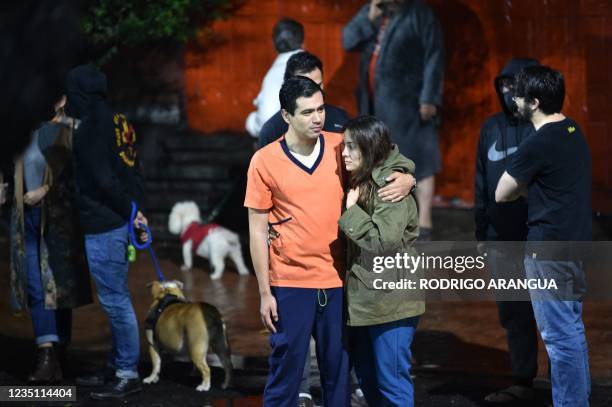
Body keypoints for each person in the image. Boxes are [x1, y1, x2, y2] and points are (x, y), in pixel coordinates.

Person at [245, 76, 414, 407]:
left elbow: (385, 155)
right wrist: (265, 293)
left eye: (321, 109)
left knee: (339, 375)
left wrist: (409, 177)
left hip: (339, 282)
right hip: (290, 283)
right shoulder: (264, 161)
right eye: (307, 112)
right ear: (286, 116)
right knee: (285, 375)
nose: (318, 118)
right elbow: (256, 230)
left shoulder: (342, 146)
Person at [496, 65, 591, 407]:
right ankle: (578, 399)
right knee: (573, 330)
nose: (512, 99)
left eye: (518, 95)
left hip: (547, 252)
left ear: (533, 102)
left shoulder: (537, 144)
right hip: (575, 245)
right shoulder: (571, 129)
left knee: (558, 337)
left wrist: (525, 191)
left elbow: (501, 192)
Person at [65, 64, 149, 400]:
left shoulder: (90, 129)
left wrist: (130, 211)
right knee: (116, 297)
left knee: (115, 300)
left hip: (105, 222)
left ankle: (127, 371)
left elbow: (103, 180)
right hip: (120, 219)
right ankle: (116, 364)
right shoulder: (120, 121)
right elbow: (133, 170)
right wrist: (136, 209)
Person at [339, 115, 424, 406]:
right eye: (343, 146)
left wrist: (351, 211)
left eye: (351, 147)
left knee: (392, 381)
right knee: (368, 377)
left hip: (392, 300)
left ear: (369, 147)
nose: (344, 153)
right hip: (367, 301)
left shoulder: (390, 185)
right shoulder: (364, 176)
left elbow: (382, 242)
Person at [7, 96, 92, 384]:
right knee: (36, 284)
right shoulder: (23, 130)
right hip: (27, 217)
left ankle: (59, 350)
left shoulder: (70, 130)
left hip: (58, 220)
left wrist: (46, 189)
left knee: (59, 286)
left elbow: (77, 174)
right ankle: (46, 352)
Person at [343, 0, 444, 238]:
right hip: (376, 103)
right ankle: (386, 218)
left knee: (422, 159)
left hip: (411, 102)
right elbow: (348, 40)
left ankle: (425, 221)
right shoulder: (373, 13)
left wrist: (429, 98)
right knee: (381, 158)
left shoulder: (419, 13)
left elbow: (434, 55)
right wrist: (369, 16)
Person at [475, 58, 541, 403]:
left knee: (553, 315)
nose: (506, 92)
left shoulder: (544, 127)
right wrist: (482, 234)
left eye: (512, 85)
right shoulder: (490, 127)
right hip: (501, 241)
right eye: (502, 86)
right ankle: (522, 381)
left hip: (538, 238)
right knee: (513, 314)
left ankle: (569, 390)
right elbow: (481, 182)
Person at [259, 51, 350, 149]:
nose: (314, 94)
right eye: (306, 89)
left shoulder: (340, 118)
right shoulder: (272, 131)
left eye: (318, 86)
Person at [245, 18, 304, 138]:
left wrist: (251, 122)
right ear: (302, 42)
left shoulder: (276, 73)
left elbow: (265, 120)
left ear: (273, 43)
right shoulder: (311, 65)